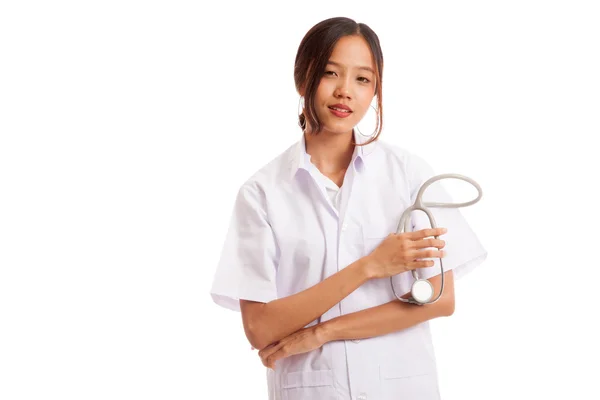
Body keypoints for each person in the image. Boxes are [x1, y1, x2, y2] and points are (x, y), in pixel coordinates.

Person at [210, 16, 487, 400]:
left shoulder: (407, 174)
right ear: (302, 79)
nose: (345, 92)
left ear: (375, 91)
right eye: (330, 73)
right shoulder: (262, 193)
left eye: (363, 79)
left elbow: (439, 298)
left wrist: (322, 332)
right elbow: (259, 328)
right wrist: (369, 267)